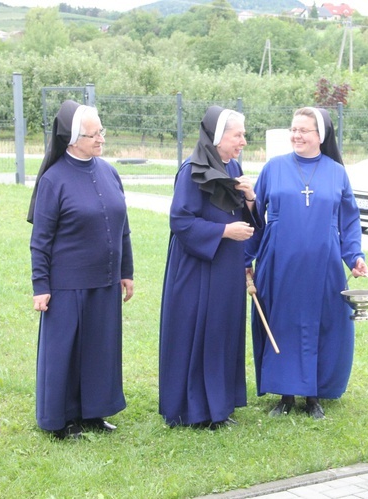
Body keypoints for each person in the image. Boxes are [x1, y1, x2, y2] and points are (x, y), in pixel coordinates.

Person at [246, 107, 368, 420]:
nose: (297, 135)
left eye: (305, 130)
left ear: (320, 136)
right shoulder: (274, 167)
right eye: (294, 129)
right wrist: (246, 258)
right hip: (279, 262)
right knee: (282, 323)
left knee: (321, 325)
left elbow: (349, 220)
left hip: (322, 264)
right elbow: (254, 217)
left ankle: (313, 395)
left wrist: (354, 256)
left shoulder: (336, 172)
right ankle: (285, 395)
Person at [28, 100, 134, 440]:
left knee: (100, 349)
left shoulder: (109, 171)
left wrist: (126, 271)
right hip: (67, 284)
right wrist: (40, 285)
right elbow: (40, 240)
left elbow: (123, 227)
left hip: (105, 281)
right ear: (73, 139)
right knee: (67, 353)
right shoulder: (54, 180)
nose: (101, 138)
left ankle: (93, 413)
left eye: (101, 131)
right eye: (94, 134)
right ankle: (63, 419)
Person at [159, 106, 257, 430]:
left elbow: (245, 217)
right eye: (238, 134)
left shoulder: (234, 167)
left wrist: (251, 199)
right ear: (219, 137)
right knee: (198, 334)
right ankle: (194, 411)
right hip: (197, 268)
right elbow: (180, 220)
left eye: (243, 134)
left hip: (226, 267)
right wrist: (224, 232)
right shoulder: (192, 171)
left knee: (222, 333)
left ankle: (219, 407)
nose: (243, 140)